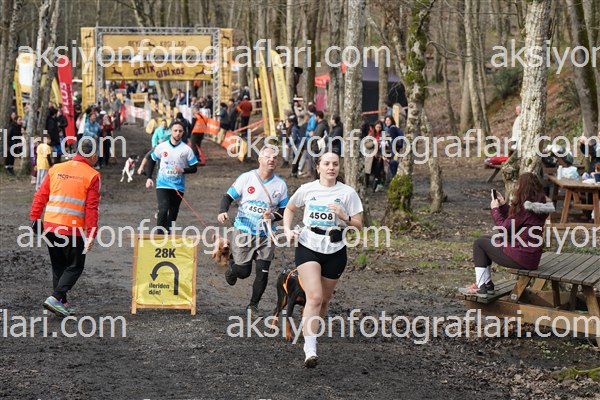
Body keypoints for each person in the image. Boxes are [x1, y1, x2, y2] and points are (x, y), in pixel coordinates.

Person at [282, 152, 363, 368]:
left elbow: (358, 225)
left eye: (335, 164)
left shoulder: (347, 193)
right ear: (318, 167)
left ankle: (311, 329)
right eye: (326, 164)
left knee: (324, 301)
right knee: (315, 298)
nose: (331, 167)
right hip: (308, 245)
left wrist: (344, 217)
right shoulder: (307, 189)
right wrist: (288, 230)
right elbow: (290, 208)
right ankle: (310, 349)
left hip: (335, 250)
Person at [29, 138, 101, 317]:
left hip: (50, 226)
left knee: (59, 266)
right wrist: (91, 233)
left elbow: (40, 195)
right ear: (93, 155)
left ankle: (62, 303)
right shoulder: (92, 175)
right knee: (76, 266)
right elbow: (91, 208)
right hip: (72, 229)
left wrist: (35, 218)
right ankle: (55, 298)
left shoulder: (56, 168)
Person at [217, 146, 289, 314]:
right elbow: (228, 197)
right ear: (260, 159)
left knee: (263, 272)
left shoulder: (280, 185)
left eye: (275, 158)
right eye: (268, 156)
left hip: (266, 235)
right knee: (243, 272)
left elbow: (284, 210)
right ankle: (233, 267)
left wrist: (272, 216)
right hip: (244, 231)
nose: (272, 160)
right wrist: (222, 211)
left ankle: (253, 305)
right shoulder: (247, 178)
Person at [459, 173, 555, 297]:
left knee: (479, 244)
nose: (516, 187)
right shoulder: (536, 206)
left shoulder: (526, 209)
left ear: (523, 188)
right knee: (485, 239)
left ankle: (481, 287)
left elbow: (504, 229)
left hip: (521, 256)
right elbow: (514, 222)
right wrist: (503, 205)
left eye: (518, 185)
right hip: (530, 257)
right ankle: (487, 285)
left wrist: (495, 209)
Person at [145, 121, 198, 232]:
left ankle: (168, 233)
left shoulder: (187, 150)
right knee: (163, 209)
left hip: (178, 186)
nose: (177, 133)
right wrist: (149, 177)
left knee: (173, 213)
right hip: (162, 184)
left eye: (180, 131)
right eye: (175, 130)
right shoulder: (162, 147)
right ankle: (159, 235)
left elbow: (194, 168)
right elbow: (152, 160)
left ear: (183, 133)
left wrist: (183, 170)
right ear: (170, 131)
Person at [382, 115, 404, 186]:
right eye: (386, 120)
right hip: (395, 150)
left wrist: (392, 152)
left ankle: (390, 184)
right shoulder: (393, 128)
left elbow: (394, 141)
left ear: (392, 121)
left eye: (388, 120)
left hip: (394, 151)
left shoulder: (392, 129)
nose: (387, 122)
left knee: (392, 167)